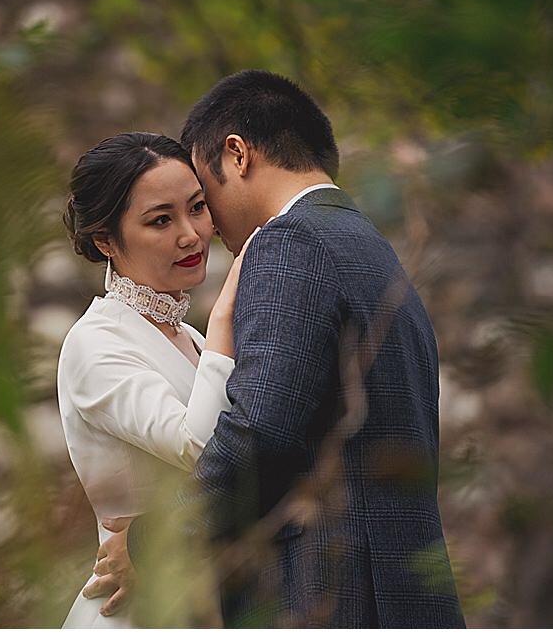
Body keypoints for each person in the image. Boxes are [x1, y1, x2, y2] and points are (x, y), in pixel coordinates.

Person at [84, 70, 466, 627]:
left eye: (203, 196)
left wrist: (152, 545)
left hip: (335, 600)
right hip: (401, 595)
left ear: (237, 155)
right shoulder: (367, 245)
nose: (206, 226)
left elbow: (259, 436)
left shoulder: (290, 243)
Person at [57, 132, 256, 628]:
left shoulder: (183, 334)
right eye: (160, 220)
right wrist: (226, 319)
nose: (190, 234)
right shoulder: (95, 344)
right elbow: (200, 446)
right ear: (106, 240)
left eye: (197, 207)